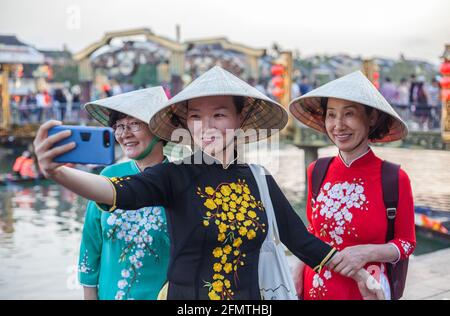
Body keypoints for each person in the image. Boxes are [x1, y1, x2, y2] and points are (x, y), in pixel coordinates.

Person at [34, 66, 383, 300]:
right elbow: (117, 192)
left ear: (239, 118)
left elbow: (304, 243)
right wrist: (58, 172)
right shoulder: (174, 175)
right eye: (196, 117)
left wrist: (359, 276)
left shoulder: (259, 180)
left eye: (218, 114)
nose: (207, 126)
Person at [289, 71, 416, 300]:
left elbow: (406, 243)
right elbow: (313, 231)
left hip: (365, 290)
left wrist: (367, 252)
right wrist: (298, 268)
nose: (338, 125)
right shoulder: (317, 171)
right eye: (331, 115)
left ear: (372, 118)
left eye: (349, 114)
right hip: (313, 288)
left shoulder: (394, 178)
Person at [79, 87, 171, 300]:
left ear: (159, 129)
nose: (124, 134)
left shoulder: (178, 181)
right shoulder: (109, 177)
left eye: (134, 124)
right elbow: (90, 244)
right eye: (119, 126)